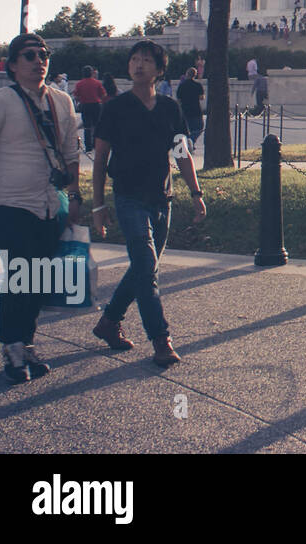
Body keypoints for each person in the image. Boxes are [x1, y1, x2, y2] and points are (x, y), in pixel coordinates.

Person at [90, 40, 206, 367]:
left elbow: (182, 154)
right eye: (134, 60)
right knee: (146, 267)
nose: (138, 65)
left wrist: (196, 194)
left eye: (146, 60)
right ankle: (161, 339)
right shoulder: (115, 108)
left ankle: (109, 321)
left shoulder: (170, 108)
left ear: (159, 69)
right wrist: (98, 206)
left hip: (162, 198)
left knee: (144, 267)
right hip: (128, 198)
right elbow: (99, 159)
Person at [0, 34, 82, 383]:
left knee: (39, 278)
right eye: (29, 56)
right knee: (21, 273)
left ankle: (26, 344)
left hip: (50, 203)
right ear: (12, 65)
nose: (40, 61)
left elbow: (71, 154)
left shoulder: (62, 101)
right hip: (9, 202)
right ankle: (12, 346)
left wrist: (76, 197)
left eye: (44, 54)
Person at [73, 65, 108, 153]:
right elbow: (104, 95)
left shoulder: (79, 84)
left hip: (85, 106)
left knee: (87, 127)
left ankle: (88, 147)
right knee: (97, 126)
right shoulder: (97, 83)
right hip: (96, 105)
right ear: (92, 73)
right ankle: (96, 145)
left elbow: (76, 96)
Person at [176, 67, 205, 149]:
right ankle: (191, 140)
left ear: (186, 74)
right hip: (196, 110)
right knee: (199, 128)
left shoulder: (182, 86)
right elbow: (202, 97)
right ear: (195, 75)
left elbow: (178, 99)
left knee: (185, 129)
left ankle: (188, 142)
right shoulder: (198, 85)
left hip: (185, 110)